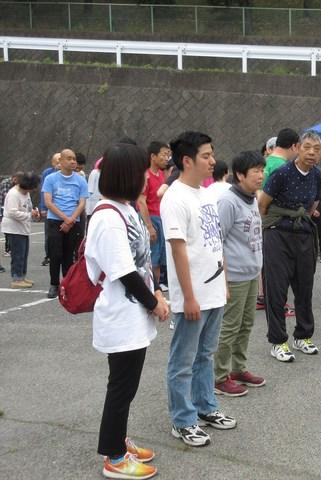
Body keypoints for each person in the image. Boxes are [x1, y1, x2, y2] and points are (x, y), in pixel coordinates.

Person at [85, 143, 169, 480]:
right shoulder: (107, 217)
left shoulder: (127, 209)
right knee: (121, 387)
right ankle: (115, 458)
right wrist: (155, 303)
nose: (146, 177)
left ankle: (117, 440)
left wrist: (158, 291)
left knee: (127, 386)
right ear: (127, 175)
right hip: (121, 316)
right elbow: (123, 272)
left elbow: (144, 263)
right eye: (141, 172)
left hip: (134, 315)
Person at [161, 131, 236, 448]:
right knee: (183, 362)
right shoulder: (174, 198)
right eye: (206, 155)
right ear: (187, 160)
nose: (212, 160)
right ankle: (182, 420)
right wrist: (188, 297)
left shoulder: (206, 194)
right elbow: (179, 251)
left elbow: (215, 242)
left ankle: (206, 408)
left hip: (214, 292)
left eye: (212, 154)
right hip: (192, 297)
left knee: (206, 355)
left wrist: (225, 281)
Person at [259, 130, 321, 362]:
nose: (311, 153)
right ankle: (277, 341)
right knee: (276, 289)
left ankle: (303, 336)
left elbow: (312, 206)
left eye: (316, 149)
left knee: (304, 287)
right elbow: (262, 204)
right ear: (297, 148)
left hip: (304, 234)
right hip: (278, 234)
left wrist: (299, 219)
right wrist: (274, 227)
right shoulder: (281, 173)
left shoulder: (317, 175)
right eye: (307, 147)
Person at [213, 151, 266, 397]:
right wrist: (222, 278)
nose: (260, 175)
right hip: (233, 274)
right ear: (240, 175)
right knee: (230, 326)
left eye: (261, 170)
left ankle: (238, 368)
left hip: (251, 271)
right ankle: (219, 376)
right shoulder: (228, 202)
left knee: (246, 324)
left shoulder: (252, 198)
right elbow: (216, 241)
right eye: (255, 171)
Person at [42, 148, 88, 298]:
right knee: (55, 254)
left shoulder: (81, 180)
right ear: (60, 161)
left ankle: (66, 285)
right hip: (55, 221)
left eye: (74, 159)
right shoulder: (51, 179)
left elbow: (81, 203)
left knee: (69, 255)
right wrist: (64, 218)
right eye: (69, 158)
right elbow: (48, 202)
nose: (73, 161)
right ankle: (54, 284)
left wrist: (71, 219)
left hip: (73, 221)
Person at [137, 141, 171, 290]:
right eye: (164, 154)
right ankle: (150, 291)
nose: (167, 158)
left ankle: (157, 292)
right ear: (153, 156)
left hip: (161, 219)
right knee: (151, 259)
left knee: (159, 259)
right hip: (151, 219)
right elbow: (141, 202)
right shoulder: (146, 176)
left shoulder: (162, 174)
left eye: (168, 155)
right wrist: (149, 226)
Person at [1, 172, 40, 288]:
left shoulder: (25, 193)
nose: (31, 191)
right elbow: (12, 212)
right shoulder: (14, 194)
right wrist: (29, 215)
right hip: (14, 229)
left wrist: (34, 212)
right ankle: (16, 278)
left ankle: (22, 276)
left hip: (23, 228)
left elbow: (28, 206)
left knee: (24, 253)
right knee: (18, 254)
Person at [39, 152, 60, 266]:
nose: (59, 164)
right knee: (49, 234)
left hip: (63, 209)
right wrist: (43, 207)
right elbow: (43, 191)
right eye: (57, 161)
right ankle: (48, 255)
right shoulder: (47, 173)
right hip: (49, 207)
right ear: (53, 163)